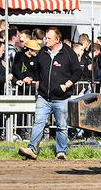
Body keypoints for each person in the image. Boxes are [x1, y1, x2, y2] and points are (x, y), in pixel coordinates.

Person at [19, 28, 82, 161]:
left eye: (48, 38)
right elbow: (37, 70)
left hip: (61, 97)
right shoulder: (43, 51)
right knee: (38, 122)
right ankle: (32, 149)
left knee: (62, 126)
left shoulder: (68, 53)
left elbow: (77, 72)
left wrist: (66, 86)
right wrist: (33, 80)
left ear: (57, 40)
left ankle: (61, 152)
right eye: (45, 38)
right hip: (43, 96)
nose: (45, 40)